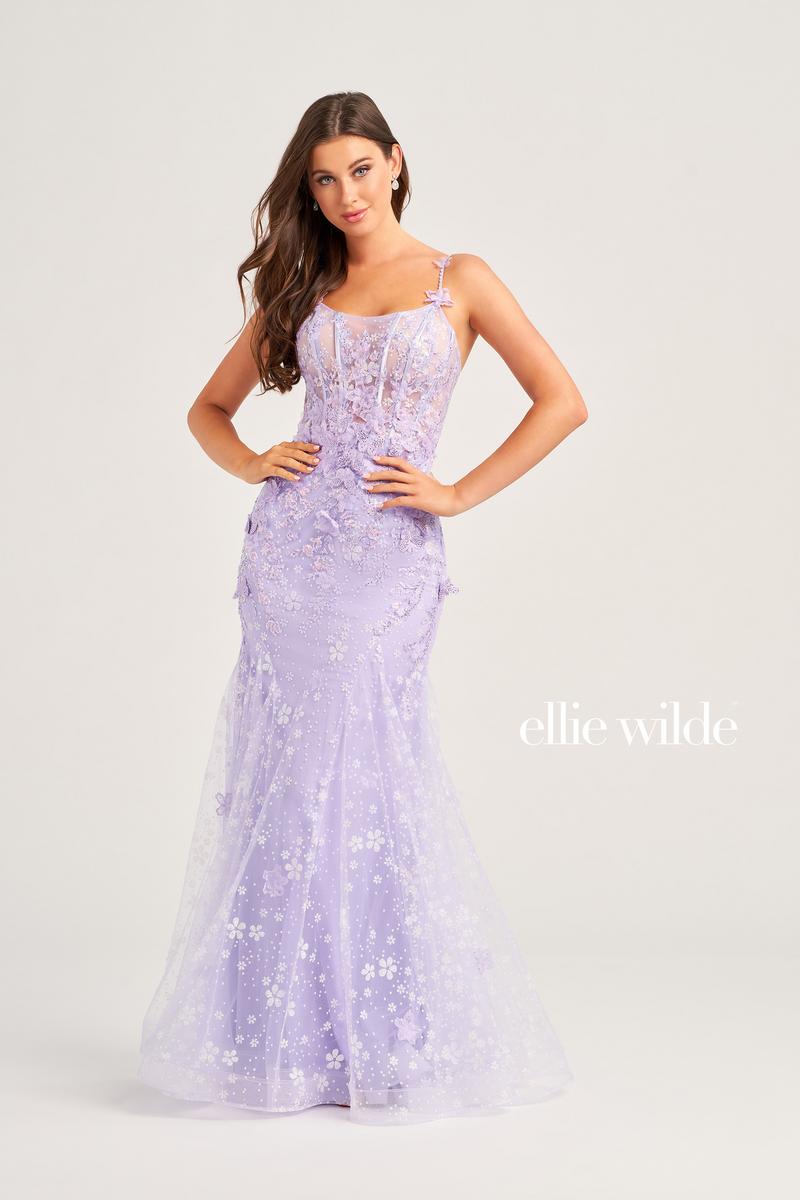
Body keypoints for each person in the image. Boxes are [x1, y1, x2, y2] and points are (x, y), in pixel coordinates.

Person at [137, 91, 587, 1126]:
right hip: (290, 555)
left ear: (396, 162)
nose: (345, 194)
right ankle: (283, 1037)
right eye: (323, 180)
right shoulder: (304, 286)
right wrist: (251, 460)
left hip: (389, 558)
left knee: (370, 767)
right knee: (291, 778)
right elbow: (208, 409)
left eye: (360, 169)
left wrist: (457, 492)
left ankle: (390, 1032)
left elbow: (562, 401)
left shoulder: (459, 279)